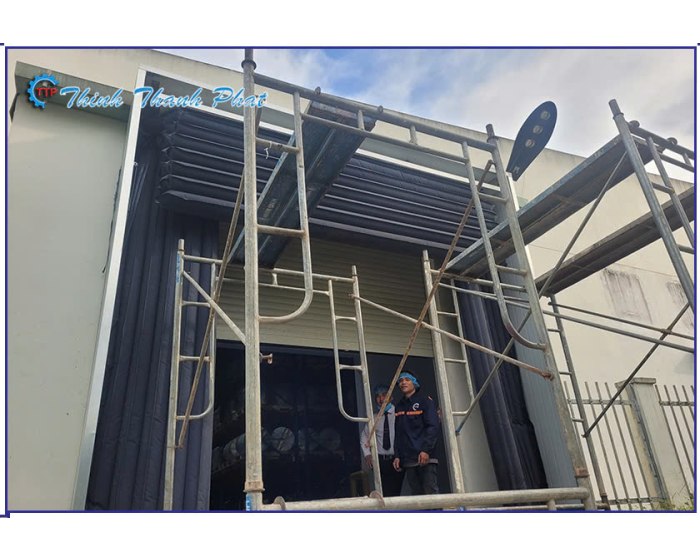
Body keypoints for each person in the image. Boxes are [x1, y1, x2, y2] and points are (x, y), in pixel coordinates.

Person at [392, 371, 440, 495]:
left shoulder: (425, 401)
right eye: (401, 381)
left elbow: (432, 426)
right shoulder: (399, 406)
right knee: (417, 496)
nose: (403, 383)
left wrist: (425, 450)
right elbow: (398, 433)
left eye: (407, 380)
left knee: (430, 493)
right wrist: (397, 455)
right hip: (408, 459)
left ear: (414, 382)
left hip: (425, 457)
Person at [359, 384, 403, 497]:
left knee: (395, 492)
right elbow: (364, 437)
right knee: (383, 492)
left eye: (384, 395)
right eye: (378, 396)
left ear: (391, 397)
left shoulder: (399, 413)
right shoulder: (374, 418)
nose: (381, 399)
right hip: (380, 461)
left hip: (397, 459)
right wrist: (367, 454)